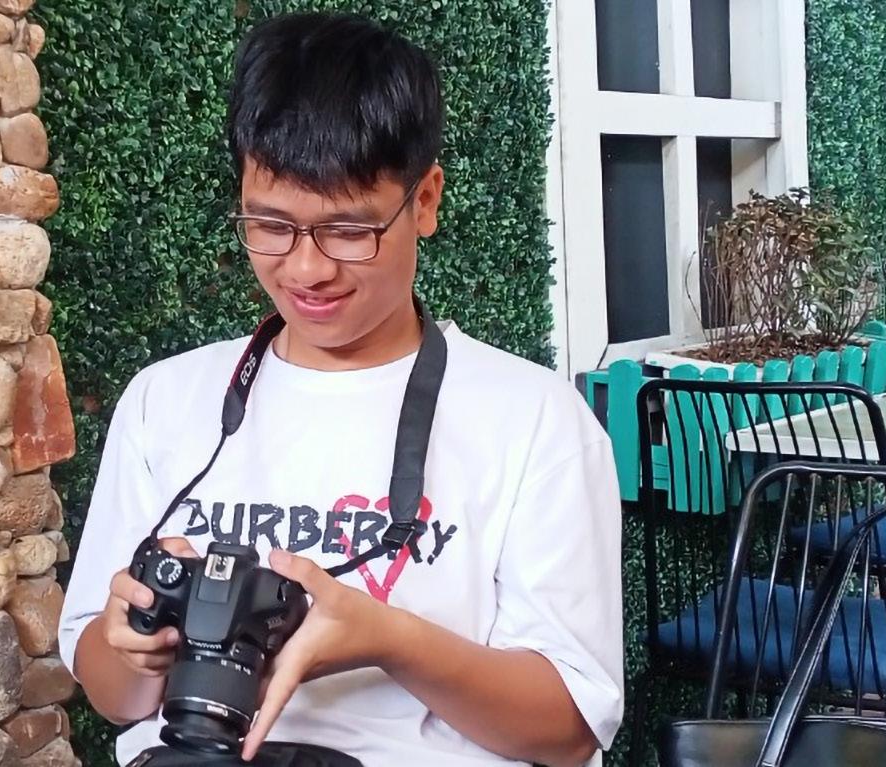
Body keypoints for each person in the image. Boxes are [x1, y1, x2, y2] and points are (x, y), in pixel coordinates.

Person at [55, 11, 624, 767]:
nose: (306, 269)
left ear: (425, 200)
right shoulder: (165, 400)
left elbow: (568, 730)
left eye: (350, 230)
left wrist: (388, 639)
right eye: (270, 225)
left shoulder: (534, 420)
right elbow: (112, 694)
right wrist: (136, 645)